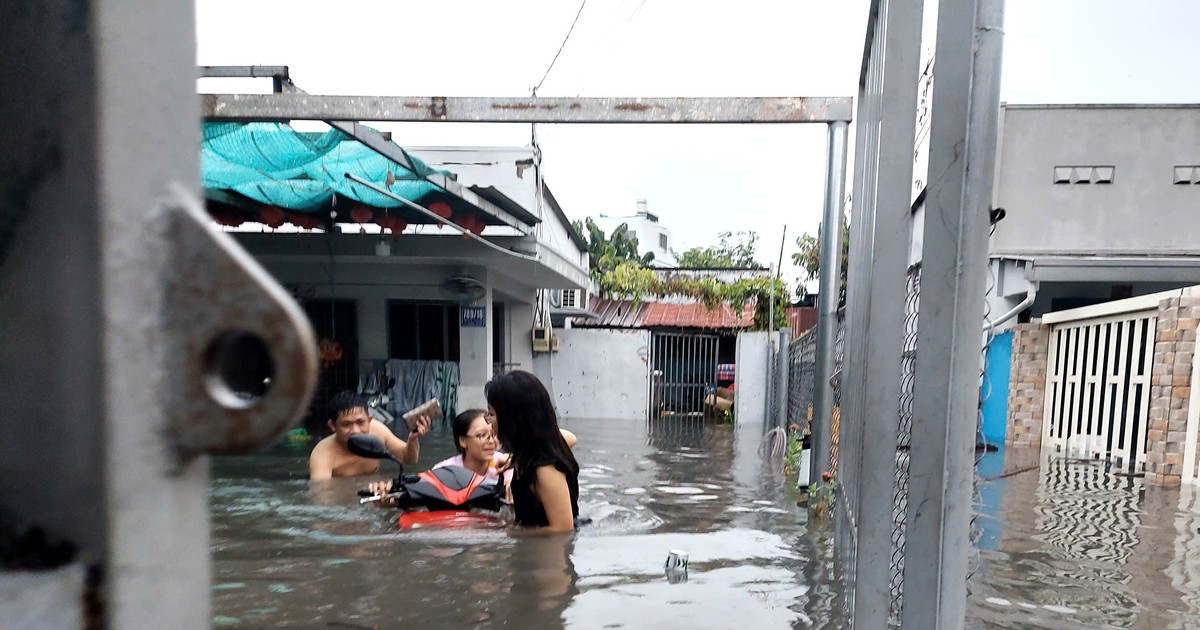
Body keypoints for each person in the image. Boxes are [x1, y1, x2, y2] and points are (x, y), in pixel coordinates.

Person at [486, 370, 579, 535]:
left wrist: (510, 533)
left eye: (492, 414)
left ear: (512, 419)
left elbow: (562, 529)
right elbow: (571, 437)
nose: (489, 421)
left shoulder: (545, 471)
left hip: (546, 557)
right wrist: (512, 459)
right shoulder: (541, 446)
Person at [309, 390, 430, 480]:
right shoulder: (322, 455)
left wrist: (413, 439)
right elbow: (322, 497)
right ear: (332, 426)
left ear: (369, 420)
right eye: (346, 424)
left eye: (360, 422)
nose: (355, 430)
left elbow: (409, 459)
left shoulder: (378, 431)